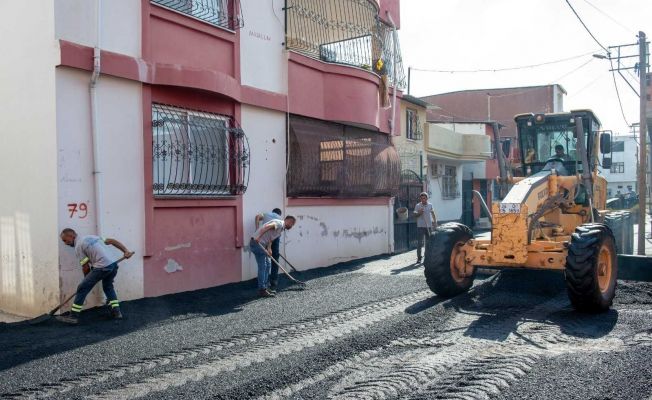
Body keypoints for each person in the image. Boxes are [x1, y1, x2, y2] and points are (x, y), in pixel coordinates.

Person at [59, 228, 134, 324]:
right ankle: (117, 312)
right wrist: (125, 251)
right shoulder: (92, 237)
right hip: (113, 265)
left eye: (65, 240)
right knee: (108, 286)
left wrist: (86, 281)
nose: (65, 243)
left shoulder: (78, 246)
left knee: (82, 288)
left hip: (102, 267)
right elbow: (111, 241)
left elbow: (86, 267)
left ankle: (73, 316)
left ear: (71, 235)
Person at [250, 216, 296, 297]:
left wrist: (269, 248)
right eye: (292, 224)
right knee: (263, 266)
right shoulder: (279, 223)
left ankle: (265, 286)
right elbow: (267, 227)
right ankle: (262, 290)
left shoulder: (281, 229)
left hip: (263, 244)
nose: (291, 227)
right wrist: (259, 236)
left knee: (268, 264)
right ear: (289, 221)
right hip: (257, 243)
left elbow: (270, 238)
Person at [255, 208, 282, 289]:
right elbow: (273, 235)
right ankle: (273, 280)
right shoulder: (280, 219)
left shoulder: (267, 214)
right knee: (275, 257)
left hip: (263, 237)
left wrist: (257, 229)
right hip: (271, 237)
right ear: (279, 214)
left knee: (265, 261)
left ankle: (264, 282)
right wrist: (270, 247)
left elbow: (257, 217)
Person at [413, 192, 438, 264]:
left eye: (424, 198)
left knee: (428, 242)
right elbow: (414, 214)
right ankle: (419, 258)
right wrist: (419, 213)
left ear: (427, 198)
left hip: (429, 226)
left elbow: (433, 213)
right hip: (420, 226)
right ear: (420, 199)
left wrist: (435, 222)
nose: (423, 199)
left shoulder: (430, 205)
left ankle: (427, 256)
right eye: (421, 198)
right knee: (419, 243)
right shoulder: (418, 205)